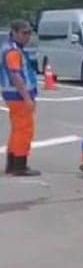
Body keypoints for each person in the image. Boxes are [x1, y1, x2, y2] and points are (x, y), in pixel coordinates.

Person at [2, 20, 40, 176]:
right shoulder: (13, 51)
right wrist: (27, 98)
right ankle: (19, 165)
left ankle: (12, 164)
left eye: (29, 32)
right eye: (24, 33)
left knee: (17, 129)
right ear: (14, 32)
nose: (28, 36)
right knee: (24, 130)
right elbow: (15, 75)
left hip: (14, 96)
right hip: (18, 97)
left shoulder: (12, 48)